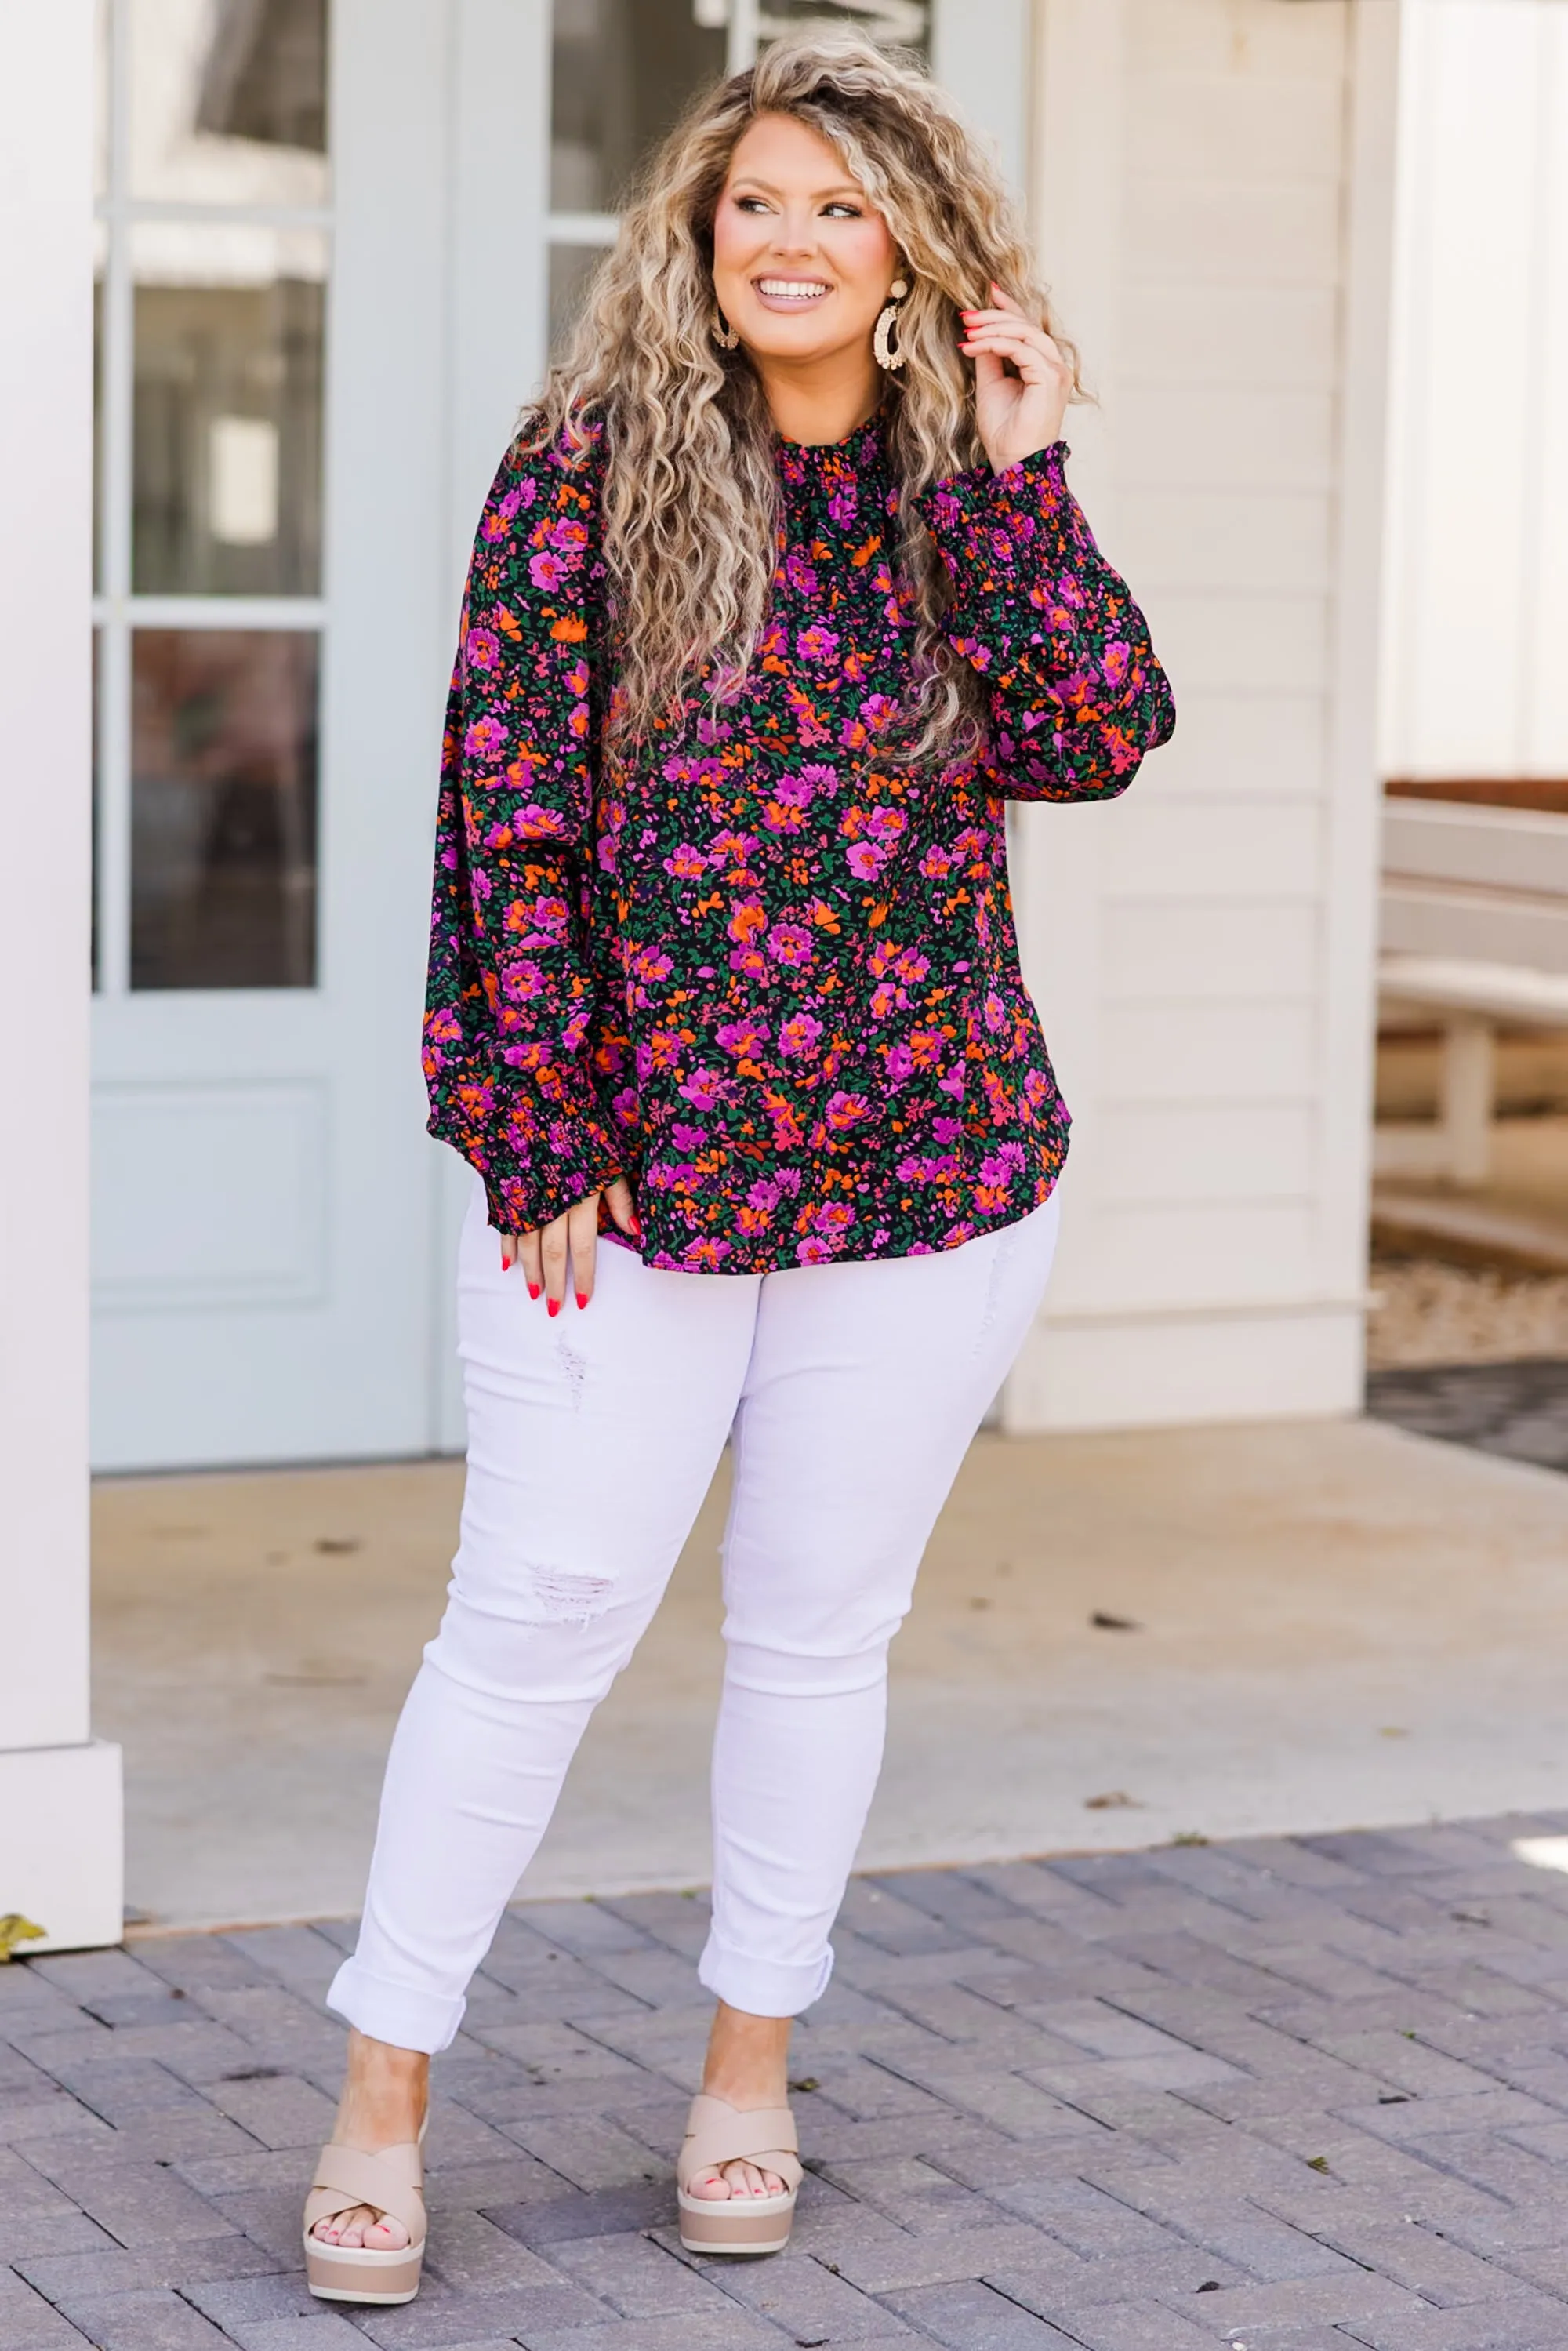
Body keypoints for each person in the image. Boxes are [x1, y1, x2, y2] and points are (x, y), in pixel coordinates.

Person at [301, 27, 1174, 2305]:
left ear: (913, 257)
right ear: (702, 231)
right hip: (636, 1182)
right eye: (754, 199)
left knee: (813, 1640)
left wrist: (1021, 463)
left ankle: (745, 2072)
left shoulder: (952, 485)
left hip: (933, 1169)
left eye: (839, 207)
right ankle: (382, 2084)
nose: (786, 239)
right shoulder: (585, 470)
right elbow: (502, 815)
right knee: (538, 1619)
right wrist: (536, 1130)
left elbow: (1092, 731)